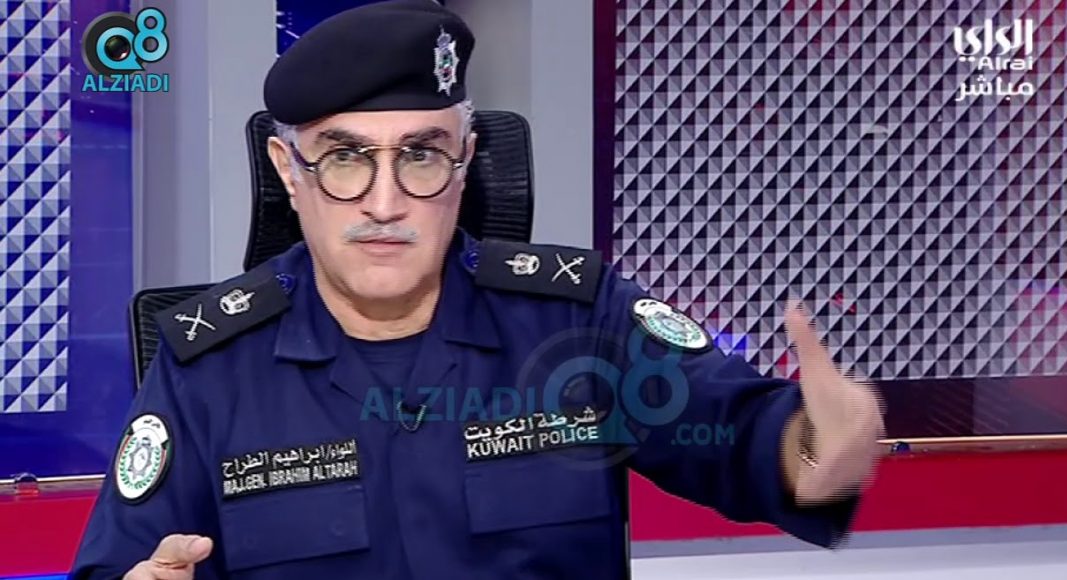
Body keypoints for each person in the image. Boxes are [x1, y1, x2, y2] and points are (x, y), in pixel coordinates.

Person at [70, 0, 884, 578]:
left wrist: (820, 447)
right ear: (289, 170)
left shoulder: (576, 317)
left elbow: (745, 438)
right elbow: (122, 564)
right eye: (346, 158)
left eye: (420, 155)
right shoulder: (208, 361)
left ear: (464, 164)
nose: (385, 203)